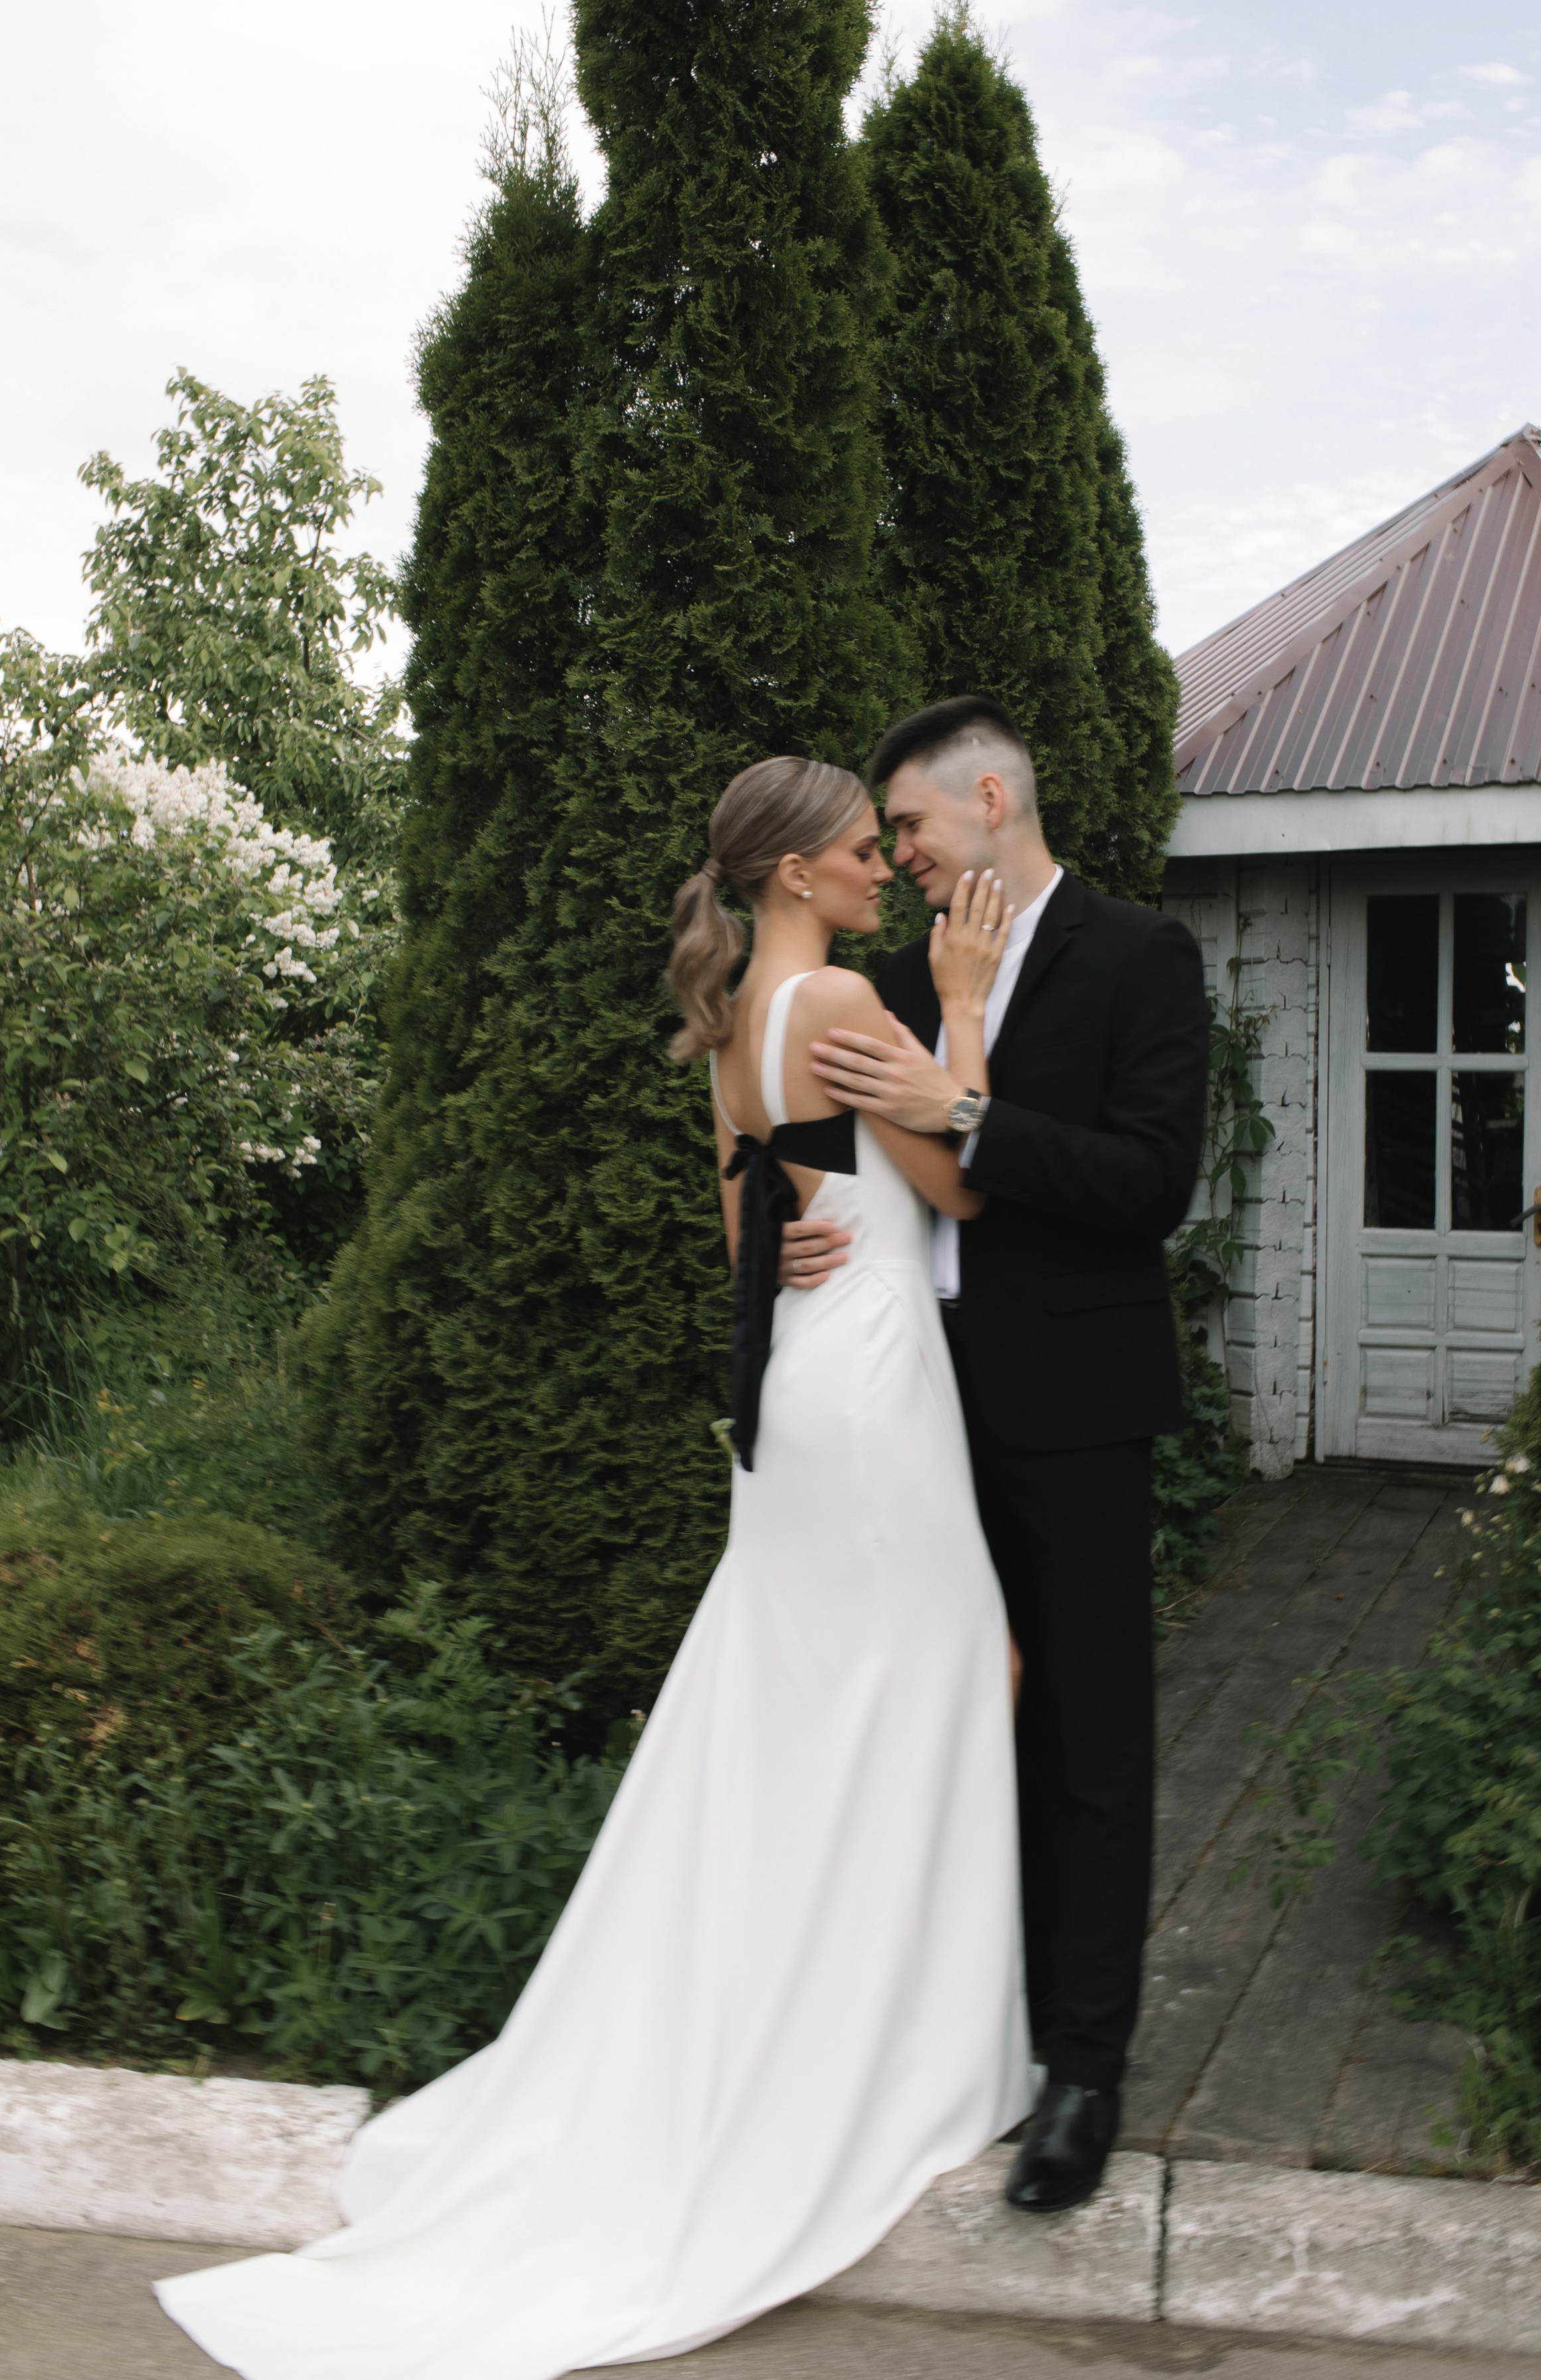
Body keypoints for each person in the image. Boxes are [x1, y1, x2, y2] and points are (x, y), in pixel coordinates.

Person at [156, 755, 1032, 2380]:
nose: (875, 874)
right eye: (854, 852)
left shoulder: (726, 1034)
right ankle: (896, 2061)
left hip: (796, 1384)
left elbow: (741, 1233)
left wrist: (780, 1235)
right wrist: (966, 1003)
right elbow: (959, 1175)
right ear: (789, 877)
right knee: (927, 1682)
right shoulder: (841, 998)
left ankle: (820, 2026)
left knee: (817, 1713)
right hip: (870, 1392)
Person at [785, 696, 1209, 2214]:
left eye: (907, 824)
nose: (893, 855)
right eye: (882, 838)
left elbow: (1149, 1184)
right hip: (912, 1404)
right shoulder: (889, 978)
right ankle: (964, 2034)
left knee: (1089, 1740)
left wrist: (970, 1107)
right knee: (946, 1720)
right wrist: (781, 1239)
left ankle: (1080, 2071)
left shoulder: (1138, 955)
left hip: (1078, 1405)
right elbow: (811, 1145)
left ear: (986, 796)